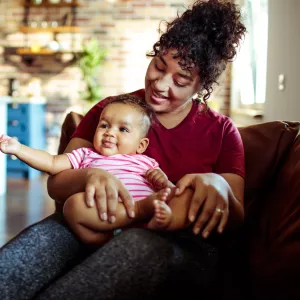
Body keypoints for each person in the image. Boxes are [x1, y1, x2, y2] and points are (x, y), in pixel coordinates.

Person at [0, 1, 246, 299]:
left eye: (181, 81)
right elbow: (56, 183)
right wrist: (89, 176)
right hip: (92, 222)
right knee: (23, 257)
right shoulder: (110, 110)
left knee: (136, 247)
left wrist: (217, 183)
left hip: (178, 244)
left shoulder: (221, 131)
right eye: (158, 65)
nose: (160, 83)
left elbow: (236, 217)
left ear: (201, 85)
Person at [0, 95, 190, 245]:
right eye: (104, 125)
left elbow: (168, 188)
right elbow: (51, 162)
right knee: (72, 206)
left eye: (123, 129)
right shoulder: (86, 155)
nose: (109, 132)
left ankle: (160, 224)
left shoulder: (145, 162)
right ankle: (103, 237)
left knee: (178, 197)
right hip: (107, 215)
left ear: (141, 145)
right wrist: (18, 149)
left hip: (149, 209)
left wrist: (162, 181)